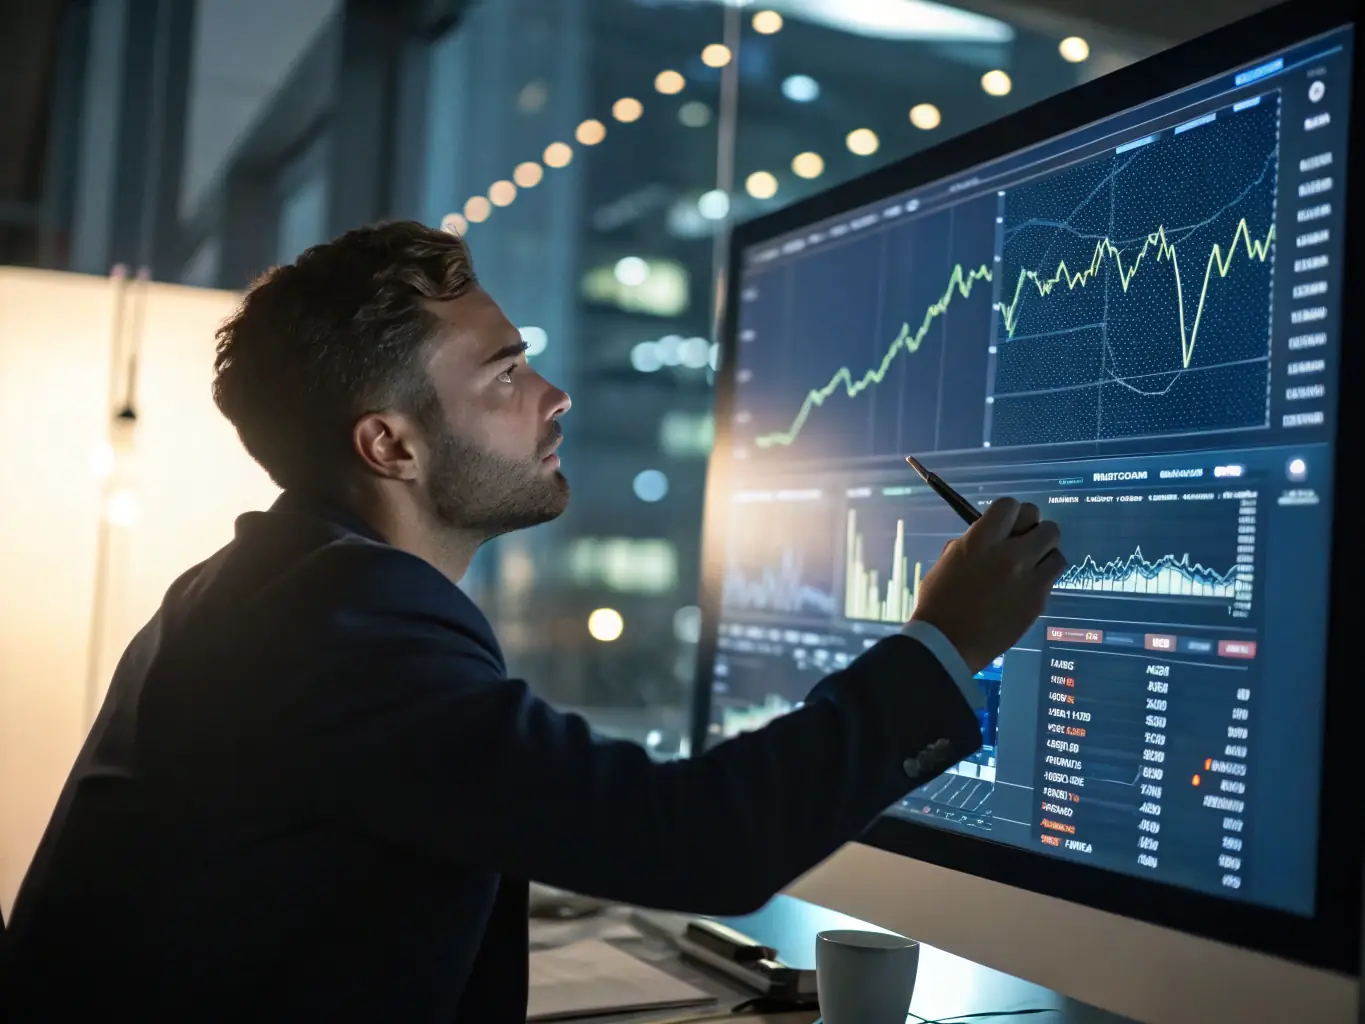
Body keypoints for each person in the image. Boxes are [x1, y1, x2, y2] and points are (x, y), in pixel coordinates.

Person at [0, 221, 1064, 1022]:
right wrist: (948, 641)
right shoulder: (340, 619)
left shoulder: (267, 584)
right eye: (505, 373)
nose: (553, 395)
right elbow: (699, 843)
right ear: (391, 446)